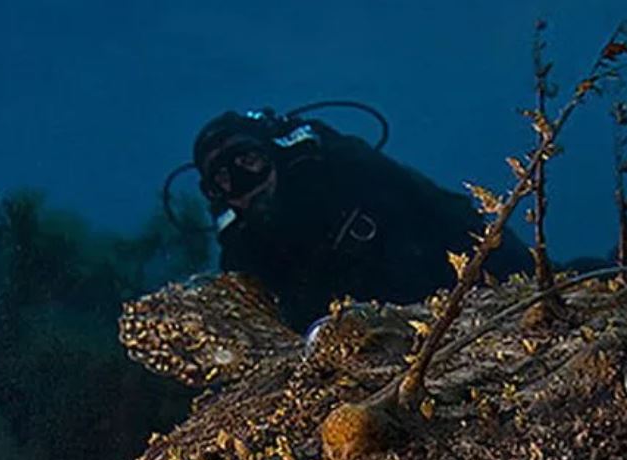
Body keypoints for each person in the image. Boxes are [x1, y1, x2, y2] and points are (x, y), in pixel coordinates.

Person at [181, 105, 533, 332]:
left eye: (248, 161)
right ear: (215, 194)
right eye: (223, 179)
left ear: (275, 151)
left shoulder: (343, 168)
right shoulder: (243, 252)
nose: (243, 183)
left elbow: (446, 215)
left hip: (457, 301)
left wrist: (522, 278)